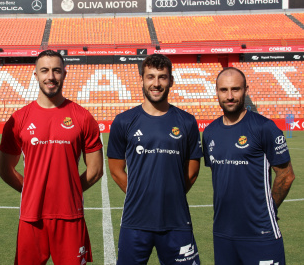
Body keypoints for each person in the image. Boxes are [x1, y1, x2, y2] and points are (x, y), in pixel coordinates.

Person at [0, 50, 103, 265]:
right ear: (35, 74)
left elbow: (95, 170)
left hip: (70, 216)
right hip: (32, 216)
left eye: (56, 70)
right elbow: (5, 170)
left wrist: (69, 190)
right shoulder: (18, 119)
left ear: (65, 73)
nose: (51, 76)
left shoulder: (83, 117)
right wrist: (31, 191)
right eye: (44, 70)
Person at [107, 54, 202, 264]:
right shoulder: (123, 121)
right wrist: (140, 195)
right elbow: (115, 169)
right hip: (135, 220)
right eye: (150, 77)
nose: (156, 83)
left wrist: (171, 195)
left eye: (162, 77)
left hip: (177, 220)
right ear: (141, 79)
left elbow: (193, 171)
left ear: (171, 81)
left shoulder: (187, 121)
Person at [202, 67, 295, 265]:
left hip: (260, 233)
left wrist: (267, 209)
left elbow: (286, 175)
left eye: (235, 89)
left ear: (246, 90)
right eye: (224, 90)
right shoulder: (209, 132)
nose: (229, 96)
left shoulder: (264, 127)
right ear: (216, 92)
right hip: (223, 233)